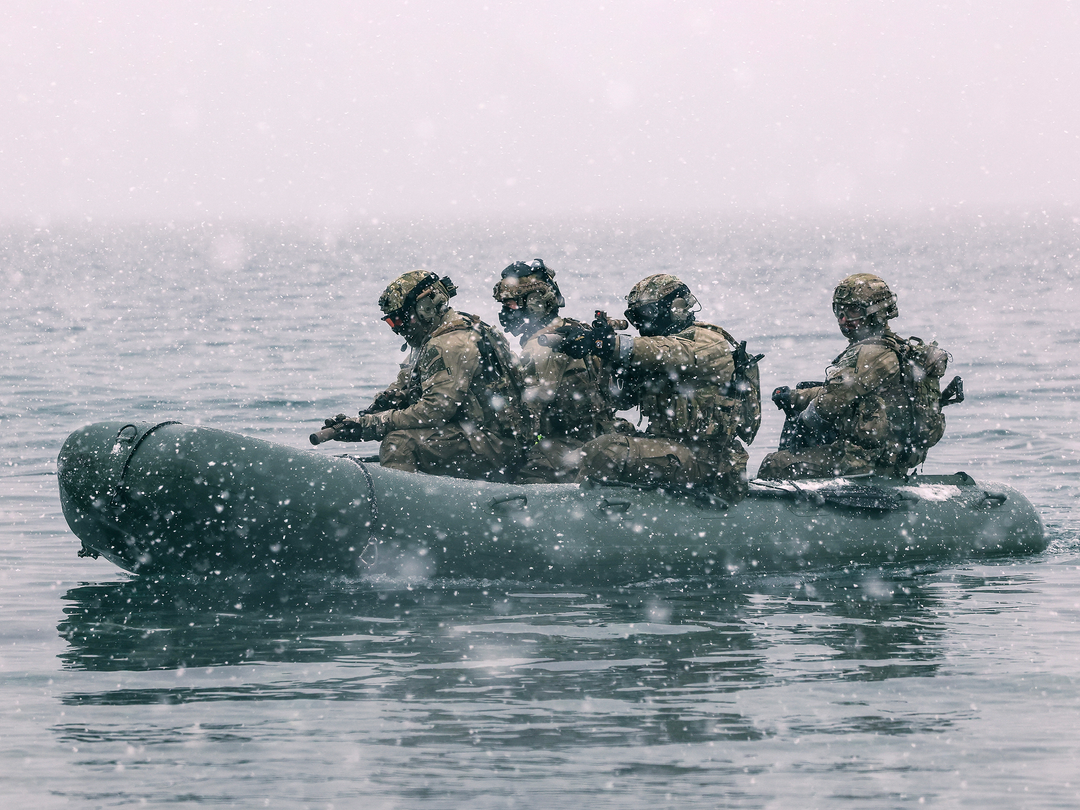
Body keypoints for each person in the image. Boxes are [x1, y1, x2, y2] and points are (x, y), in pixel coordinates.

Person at [544, 273, 762, 502]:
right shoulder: (656, 350)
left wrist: (609, 344)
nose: (641, 323)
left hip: (709, 460)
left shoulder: (709, 342)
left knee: (607, 449)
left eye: (647, 313)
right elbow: (621, 400)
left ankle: (576, 511)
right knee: (592, 434)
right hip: (668, 446)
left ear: (676, 307)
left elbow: (668, 351)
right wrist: (609, 362)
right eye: (635, 317)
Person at [322, 270, 531, 481]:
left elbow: (434, 411)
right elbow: (405, 383)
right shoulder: (441, 333)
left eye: (398, 320)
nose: (397, 329)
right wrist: (363, 418)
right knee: (397, 429)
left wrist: (371, 426)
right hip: (495, 439)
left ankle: (401, 508)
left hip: (497, 445)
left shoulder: (449, 343)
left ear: (424, 309)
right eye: (391, 323)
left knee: (399, 443)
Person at [757, 273, 960, 480]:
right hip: (889, 459)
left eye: (853, 310)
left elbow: (827, 406)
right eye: (839, 310)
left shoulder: (870, 355)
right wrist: (796, 396)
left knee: (774, 464)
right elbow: (843, 392)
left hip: (861, 462)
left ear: (875, 313)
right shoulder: (897, 348)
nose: (843, 319)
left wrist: (803, 421)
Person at [492, 258, 620, 483]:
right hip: (600, 434)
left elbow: (527, 423)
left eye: (510, 304)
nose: (505, 312)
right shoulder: (576, 330)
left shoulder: (541, 346)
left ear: (535, 303)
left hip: (571, 443)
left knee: (512, 472)